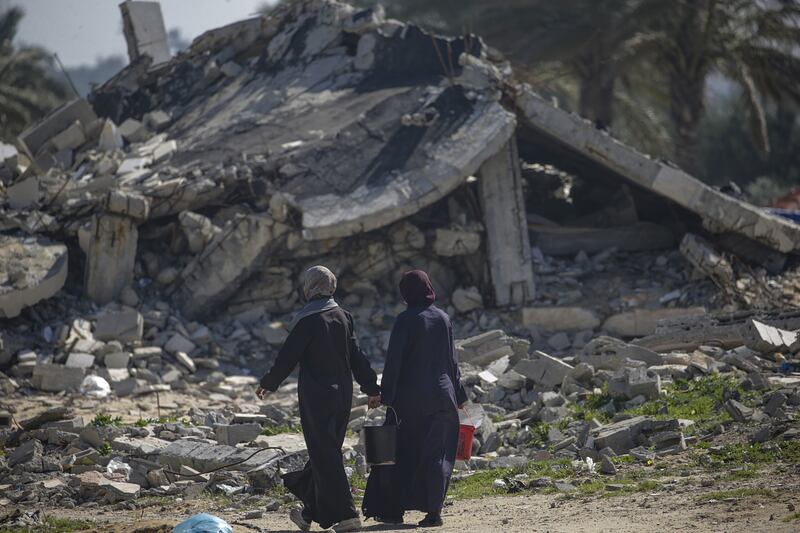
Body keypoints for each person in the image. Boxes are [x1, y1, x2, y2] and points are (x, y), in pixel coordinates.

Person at [256, 266, 381, 533]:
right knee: (325, 453)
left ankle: (347, 516)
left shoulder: (306, 320)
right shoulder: (344, 316)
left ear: (310, 286)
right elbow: (357, 356)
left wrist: (268, 383)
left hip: (317, 397)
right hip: (343, 396)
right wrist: (371, 387)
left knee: (325, 453)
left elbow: (287, 357)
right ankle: (307, 514)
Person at [362, 269, 467, 528]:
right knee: (437, 455)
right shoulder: (443, 318)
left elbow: (394, 362)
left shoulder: (405, 320)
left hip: (408, 402)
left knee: (398, 452)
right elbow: (452, 362)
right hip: (442, 397)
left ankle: (392, 511)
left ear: (406, 293)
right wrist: (460, 395)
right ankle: (433, 512)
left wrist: (383, 396)